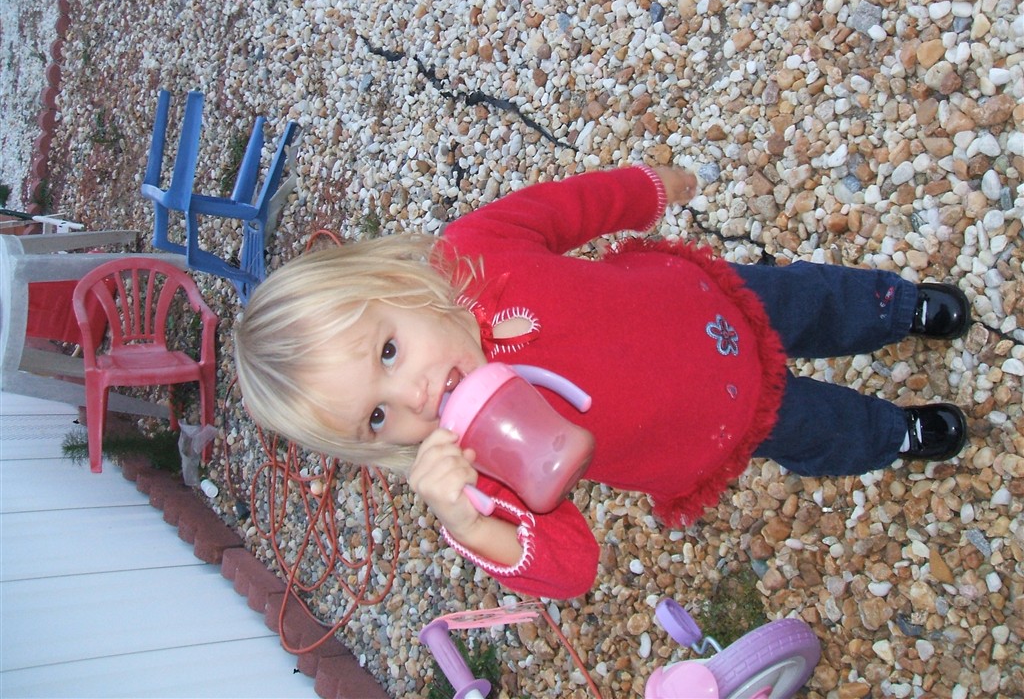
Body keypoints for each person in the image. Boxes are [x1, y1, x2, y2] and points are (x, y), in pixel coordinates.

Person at [234, 165, 970, 599]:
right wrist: (469, 522)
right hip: (711, 427)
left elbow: (565, 209)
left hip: (705, 303)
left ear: (396, 285)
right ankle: (895, 433)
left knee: (813, 301)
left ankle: (898, 309)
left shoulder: (474, 252)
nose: (414, 398)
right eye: (376, 418)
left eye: (389, 352)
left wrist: (645, 190)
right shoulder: (478, 462)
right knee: (814, 428)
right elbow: (572, 567)